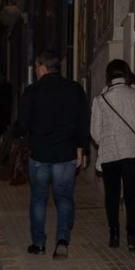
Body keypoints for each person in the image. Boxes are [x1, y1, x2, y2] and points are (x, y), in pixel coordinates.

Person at [14, 50, 90, 258]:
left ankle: (38, 243)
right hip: (66, 154)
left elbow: (22, 125)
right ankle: (62, 241)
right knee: (64, 197)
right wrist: (81, 149)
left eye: (37, 67)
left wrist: (12, 137)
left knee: (38, 198)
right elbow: (83, 121)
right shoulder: (75, 90)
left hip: (39, 155)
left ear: (41, 67)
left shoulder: (32, 91)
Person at [91, 59, 135, 250]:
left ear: (108, 76)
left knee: (112, 196)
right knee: (132, 196)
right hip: (134, 153)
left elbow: (95, 133)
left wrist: (106, 140)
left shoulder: (100, 100)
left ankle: (114, 235)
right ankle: (132, 237)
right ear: (126, 73)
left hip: (111, 154)